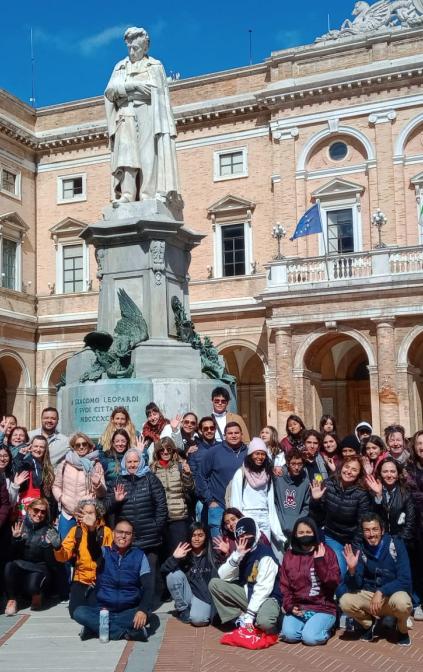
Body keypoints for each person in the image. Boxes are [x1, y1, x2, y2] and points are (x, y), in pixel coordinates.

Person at [104, 26, 179, 203]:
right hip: (125, 112)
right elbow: (109, 92)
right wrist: (134, 87)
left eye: (135, 48)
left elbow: (156, 92)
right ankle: (127, 194)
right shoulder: (120, 67)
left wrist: (126, 89)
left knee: (148, 155)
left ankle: (147, 195)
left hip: (147, 112)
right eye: (129, 48)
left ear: (145, 47)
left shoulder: (154, 66)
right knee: (126, 154)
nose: (132, 51)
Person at [339, 513, 413, 646]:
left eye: (375, 529)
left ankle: (401, 630)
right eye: (367, 530)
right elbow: (356, 585)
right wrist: (351, 570)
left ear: (382, 530)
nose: (371, 534)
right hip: (371, 596)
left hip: (392, 596)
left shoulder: (396, 544)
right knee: (345, 601)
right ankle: (369, 625)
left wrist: (381, 591)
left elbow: (405, 579)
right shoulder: (360, 549)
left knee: (403, 603)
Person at [73, 519, 153, 641]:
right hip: (103, 610)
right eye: (120, 532)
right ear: (113, 534)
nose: (123, 536)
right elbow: (92, 547)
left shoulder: (140, 556)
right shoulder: (104, 552)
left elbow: (148, 587)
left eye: (128, 533)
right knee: (79, 612)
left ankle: (96, 628)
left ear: (132, 536)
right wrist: (91, 530)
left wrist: (142, 610)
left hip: (129, 610)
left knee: (147, 613)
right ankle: (124, 633)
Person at [105, 448, 167, 589]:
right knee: (131, 576)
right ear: (124, 463)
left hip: (150, 537)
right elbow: (107, 508)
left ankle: (146, 607)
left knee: (148, 575)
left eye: (135, 461)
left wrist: (156, 527)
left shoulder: (151, 479)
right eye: (129, 462)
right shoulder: (118, 481)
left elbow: (161, 506)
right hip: (128, 539)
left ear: (141, 462)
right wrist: (115, 500)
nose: (132, 465)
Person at [209, 516, 281, 634]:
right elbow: (223, 576)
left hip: (269, 597)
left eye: (247, 534)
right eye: (241, 536)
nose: (244, 539)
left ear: (255, 533)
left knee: (264, 623)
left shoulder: (265, 554)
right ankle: (239, 619)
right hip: (249, 593)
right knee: (215, 584)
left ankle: (274, 619)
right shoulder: (241, 553)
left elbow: (263, 588)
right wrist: (236, 556)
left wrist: (250, 615)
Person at [280, 516, 340, 645]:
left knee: (310, 638)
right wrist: (290, 606)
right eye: (300, 533)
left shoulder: (326, 552)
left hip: (323, 607)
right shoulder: (289, 556)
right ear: (295, 535)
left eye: (308, 532)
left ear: (315, 533)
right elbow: (285, 586)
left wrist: (320, 562)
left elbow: (333, 582)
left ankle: (326, 628)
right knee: (289, 635)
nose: (304, 535)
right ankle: (309, 626)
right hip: (299, 607)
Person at [310, 456, 372, 580]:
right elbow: (317, 516)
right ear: (341, 467)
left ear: (359, 474)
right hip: (332, 536)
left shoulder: (362, 493)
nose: (349, 471)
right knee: (341, 571)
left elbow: (362, 525)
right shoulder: (328, 484)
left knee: (354, 570)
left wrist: (354, 550)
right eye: (347, 467)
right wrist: (316, 500)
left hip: (352, 538)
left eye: (354, 470)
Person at [53, 499, 113, 617]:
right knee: (75, 613)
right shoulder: (76, 531)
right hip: (81, 580)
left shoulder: (106, 532)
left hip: (100, 580)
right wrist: (57, 547)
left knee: (99, 611)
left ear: (98, 515)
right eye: (84, 513)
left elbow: (110, 558)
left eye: (91, 513)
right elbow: (63, 557)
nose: (87, 516)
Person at [228, 437, 285, 555]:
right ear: (250, 454)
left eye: (263, 454)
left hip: (264, 517)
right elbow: (236, 501)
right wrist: (239, 523)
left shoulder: (267, 474)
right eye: (257, 453)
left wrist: (275, 528)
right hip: (248, 516)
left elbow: (270, 503)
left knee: (265, 551)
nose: (260, 457)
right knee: (250, 551)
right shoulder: (241, 474)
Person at [4, 498, 60, 615]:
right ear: (29, 510)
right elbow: (10, 555)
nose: (39, 514)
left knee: (33, 586)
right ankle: (12, 600)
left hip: (39, 568)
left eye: (43, 512)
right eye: (36, 510)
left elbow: (53, 565)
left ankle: (37, 594)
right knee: (9, 566)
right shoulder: (19, 526)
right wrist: (16, 540)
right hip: (21, 564)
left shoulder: (50, 530)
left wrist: (50, 547)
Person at [196, 421, 248, 538]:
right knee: (218, 547)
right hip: (218, 505)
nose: (233, 435)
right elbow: (201, 476)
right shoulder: (214, 452)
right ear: (225, 436)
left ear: (242, 435)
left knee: (240, 544)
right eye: (230, 433)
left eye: (236, 433)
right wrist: (210, 500)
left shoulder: (248, 453)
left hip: (241, 506)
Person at [52, 433, 106, 540]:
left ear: (89, 446)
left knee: (86, 549)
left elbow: (102, 493)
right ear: (73, 447)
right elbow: (56, 486)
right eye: (78, 445)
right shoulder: (64, 464)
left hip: (87, 514)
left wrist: (97, 485)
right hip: (68, 514)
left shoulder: (96, 465)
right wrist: (62, 498)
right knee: (65, 548)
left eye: (84, 444)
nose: (81, 447)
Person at [161, 522, 215, 625]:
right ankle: (182, 609)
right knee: (173, 575)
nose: (196, 539)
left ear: (206, 536)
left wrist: (224, 556)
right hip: (189, 594)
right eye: (193, 535)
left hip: (204, 596)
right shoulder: (184, 553)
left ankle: (194, 609)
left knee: (199, 620)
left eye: (200, 535)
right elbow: (163, 571)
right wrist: (174, 559)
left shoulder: (212, 553)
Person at [150, 437, 195, 554]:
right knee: (164, 552)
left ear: (173, 451)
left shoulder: (179, 466)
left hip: (178, 516)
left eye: (168, 449)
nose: (165, 452)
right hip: (160, 517)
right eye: (162, 450)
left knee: (180, 550)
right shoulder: (152, 469)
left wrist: (187, 475)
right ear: (157, 452)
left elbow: (190, 488)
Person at [366, 457, 415, 549]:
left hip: (401, 541)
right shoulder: (372, 492)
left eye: (392, 471)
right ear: (380, 473)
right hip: (380, 541)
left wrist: (398, 542)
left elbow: (410, 523)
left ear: (397, 474)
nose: (389, 475)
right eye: (385, 471)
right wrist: (378, 496)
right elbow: (371, 518)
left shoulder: (405, 494)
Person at [273, 449, 310, 540]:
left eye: (300, 464)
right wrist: (280, 521)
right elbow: (273, 502)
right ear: (288, 463)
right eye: (293, 464)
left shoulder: (305, 481)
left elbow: (306, 507)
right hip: (278, 526)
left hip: (297, 528)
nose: (297, 467)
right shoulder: (278, 477)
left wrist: (297, 523)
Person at [15, 435, 56, 517]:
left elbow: (50, 493)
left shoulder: (47, 466)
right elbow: (16, 469)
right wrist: (20, 456)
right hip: (27, 506)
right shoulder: (26, 463)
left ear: (45, 450)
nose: (38, 449)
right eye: (36, 446)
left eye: (41, 447)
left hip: (43, 510)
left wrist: (53, 513)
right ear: (31, 447)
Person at [406, 430, 423, 620]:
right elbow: (410, 495)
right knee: (417, 564)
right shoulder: (409, 468)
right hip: (416, 525)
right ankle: (417, 602)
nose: (422, 447)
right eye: (419, 443)